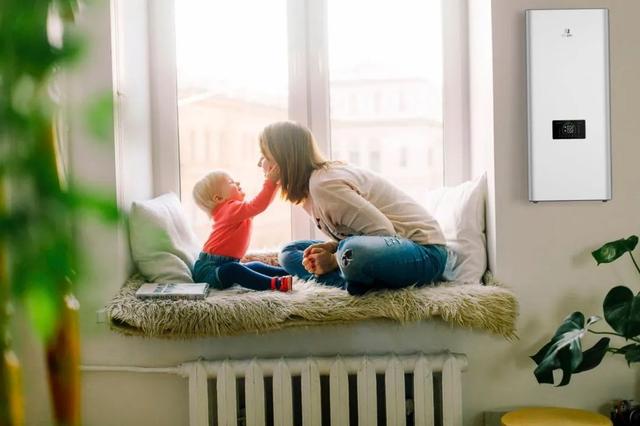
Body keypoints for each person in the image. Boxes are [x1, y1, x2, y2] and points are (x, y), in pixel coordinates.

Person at [258, 121, 453, 295]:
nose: (260, 163)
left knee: (351, 253)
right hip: (385, 248)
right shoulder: (309, 190)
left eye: (264, 156)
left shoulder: (324, 185)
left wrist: (334, 259)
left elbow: (384, 233)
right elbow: (360, 234)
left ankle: (354, 282)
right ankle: (358, 282)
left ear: (283, 160)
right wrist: (331, 247)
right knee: (290, 252)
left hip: (425, 253)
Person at [191, 168, 293, 292]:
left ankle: (289, 272)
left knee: (255, 265)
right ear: (218, 198)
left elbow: (261, 205)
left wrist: (276, 185)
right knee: (234, 270)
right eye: (231, 182)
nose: (237, 183)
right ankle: (274, 283)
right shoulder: (229, 209)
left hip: (224, 264)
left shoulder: (235, 211)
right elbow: (258, 205)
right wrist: (271, 182)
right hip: (209, 271)